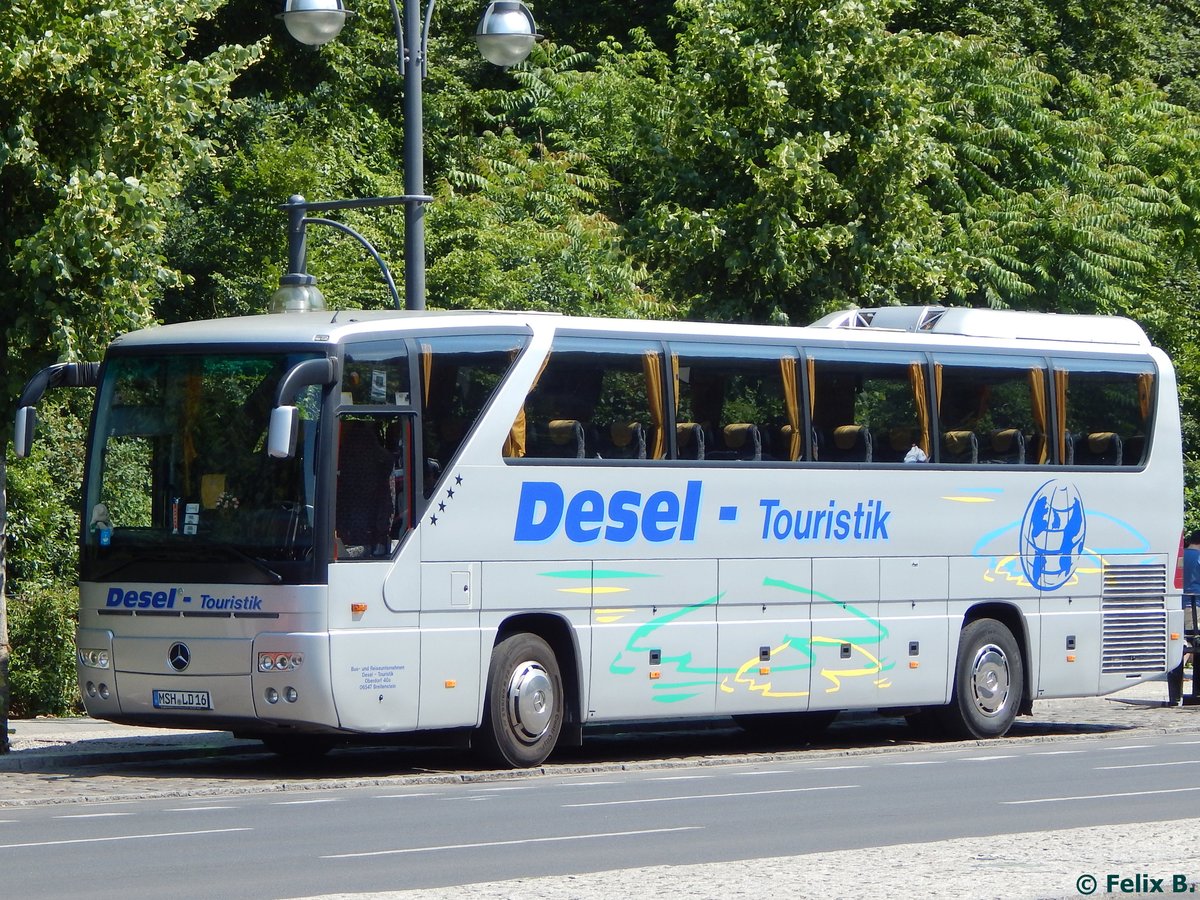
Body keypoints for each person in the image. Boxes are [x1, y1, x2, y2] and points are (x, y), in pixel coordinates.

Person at [1169, 531, 1200, 704]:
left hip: (1178, 606)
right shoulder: (1198, 558)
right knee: (1193, 641)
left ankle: (1175, 689)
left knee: (1181, 641)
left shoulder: (1179, 556)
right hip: (1195, 608)